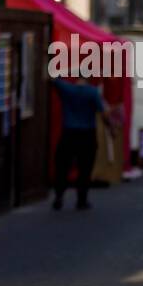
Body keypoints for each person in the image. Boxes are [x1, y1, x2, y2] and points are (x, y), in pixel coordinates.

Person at [51, 71, 113, 211]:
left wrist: (63, 73)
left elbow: (53, 79)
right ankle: (82, 199)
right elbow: (103, 113)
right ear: (89, 77)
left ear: (77, 77)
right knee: (85, 167)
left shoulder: (67, 89)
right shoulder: (92, 92)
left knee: (63, 166)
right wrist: (111, 128)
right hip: (87, 134)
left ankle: (59, 196)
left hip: (69, 132)